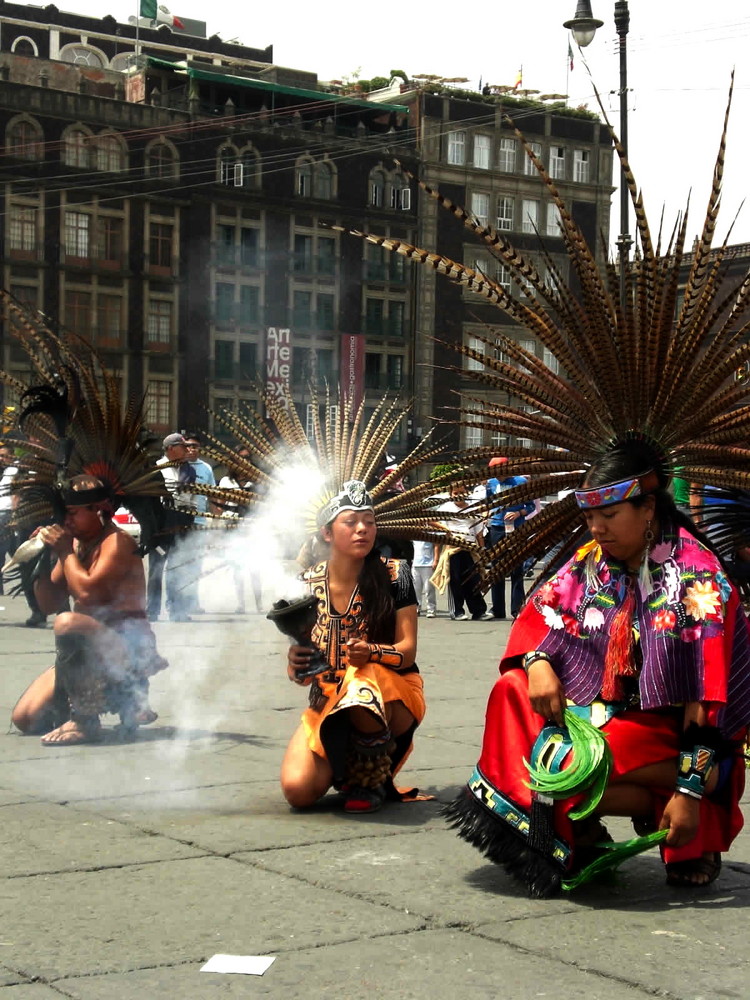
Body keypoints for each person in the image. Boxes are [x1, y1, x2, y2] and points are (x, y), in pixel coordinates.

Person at [446, 443, 750, 895]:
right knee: (512, 690)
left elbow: (705, 702)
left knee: (560, 773)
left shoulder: (695, 578)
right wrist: (538, 662)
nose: (596, 527)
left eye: (608, 514)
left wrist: (688, 793)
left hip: (680, 736)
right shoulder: (592, 560)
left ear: (648, 507)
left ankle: (689, 811)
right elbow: (543, 611)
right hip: (607, 717)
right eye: (589, 517)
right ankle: (575, 833)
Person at [281, 480, 425, 814]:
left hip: (392, 695)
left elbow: (408, 651)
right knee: (297, 791)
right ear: (327, 533)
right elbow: (304, 673)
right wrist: (294, 664)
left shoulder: (396, 574)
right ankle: (344, 765)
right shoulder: (305, 585)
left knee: (363, 677)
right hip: (327, 702)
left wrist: (371, 652)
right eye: (351, 522)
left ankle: (370, 777)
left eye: (369, 522)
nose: (362, 529)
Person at [11, 475, 167, 745]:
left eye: (71, 513)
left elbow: (88, 594)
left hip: (127, 649)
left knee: (68, 621)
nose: (66, 521)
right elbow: (47, 603)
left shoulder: (117, 542)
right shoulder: (75, 543)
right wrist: (45, 556)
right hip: (89, 652)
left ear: (98, 510)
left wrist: (64, 551)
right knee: (25, 719)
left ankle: (85, 720)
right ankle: (105, 702)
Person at [148, 432, 195, 622]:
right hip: (161, 520)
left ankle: (177, 610)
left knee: (178, 566)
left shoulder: (188, 470)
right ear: (170, 449)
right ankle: (152, 610)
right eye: (182, 447)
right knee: (156, 568)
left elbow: (191, 496)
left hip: (182, 518)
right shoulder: (157, 468)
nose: (186, 451)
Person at [485, 457, 535, 620]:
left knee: (516, 568)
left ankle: (516, 608)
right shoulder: (491, 483)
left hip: (517, 528)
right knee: (497, 568)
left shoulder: (520, 481)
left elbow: (531, 505)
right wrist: (487, 516)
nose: (497, 476)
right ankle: (497, 609)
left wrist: (519, 513)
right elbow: (489, 503)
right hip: (497, 528)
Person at [435, 485, 490, 621]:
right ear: (451, 494)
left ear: (467, 493)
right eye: (456, 493)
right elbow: (431, 520)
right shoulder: (445, 508)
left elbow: (479, 533)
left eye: (462, 492)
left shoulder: (473, 508)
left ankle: (478, 611)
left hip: (470, 549)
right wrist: (445, 529)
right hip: (453, 549)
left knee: (474, 580)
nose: (459, 495)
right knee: (455, 580)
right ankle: (457, 611)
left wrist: (482, 551)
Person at [181, 433, 216, 615]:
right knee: (180, 564)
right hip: (180, 523)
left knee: (196, 565)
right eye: (188, 446)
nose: (191, 449)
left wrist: (215, 525)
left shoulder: (207, 469)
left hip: (200, 522)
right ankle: (180, 603)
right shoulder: (177, 466)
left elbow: (213, 496)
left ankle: (193, 602)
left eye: (195, 446)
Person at [411, 539, 437, 617]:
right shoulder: (414, 533)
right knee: (416, 589)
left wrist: (436, 560)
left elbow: (436, 545)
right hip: (416, 564)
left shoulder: (430, 532)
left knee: (429, 589)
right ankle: (417, 607)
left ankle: (431, 609)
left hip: (428, 564)